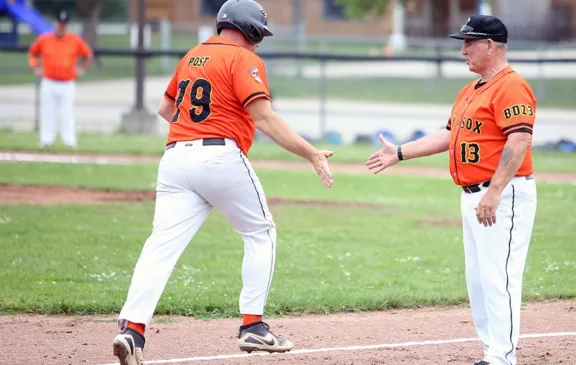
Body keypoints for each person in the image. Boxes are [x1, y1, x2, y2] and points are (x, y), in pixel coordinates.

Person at [111, 1, 334, 364]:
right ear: (247, 30)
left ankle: (132, 331)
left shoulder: (192, 56)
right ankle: (253, 326)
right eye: (258, 34)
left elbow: (166, 110)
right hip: (219, 156)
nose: (258, 42)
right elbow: (263, 118)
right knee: (260, 233)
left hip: (175, 158)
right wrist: (311, 153)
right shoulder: (243, 58)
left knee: (160, 248)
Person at [366, 15, 537, 365]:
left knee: (498, 277)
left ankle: (502, 359)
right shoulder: (471, 90)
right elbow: (449, 135)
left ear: (490, 45)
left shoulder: (511, 86)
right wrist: (400, 152)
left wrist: (495, 191)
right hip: (473, 194)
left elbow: (519, 140)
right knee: (478, 281)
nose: (463, 50)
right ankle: (492, 353)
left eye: (469, 43)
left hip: (502, 194)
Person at [27, 9, 93, 149]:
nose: (61, 26)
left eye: (64, 24)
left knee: (67, 113)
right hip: (49, 81)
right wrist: (35, 67)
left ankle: (69, 141)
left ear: (67, 25)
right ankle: (46, 141)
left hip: (67, 82)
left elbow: (87, 54)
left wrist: (82, 69)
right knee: (48, 111)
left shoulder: (75, 40)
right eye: (59, 23)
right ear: (54, 23)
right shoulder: (44, 39)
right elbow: (33, 53)